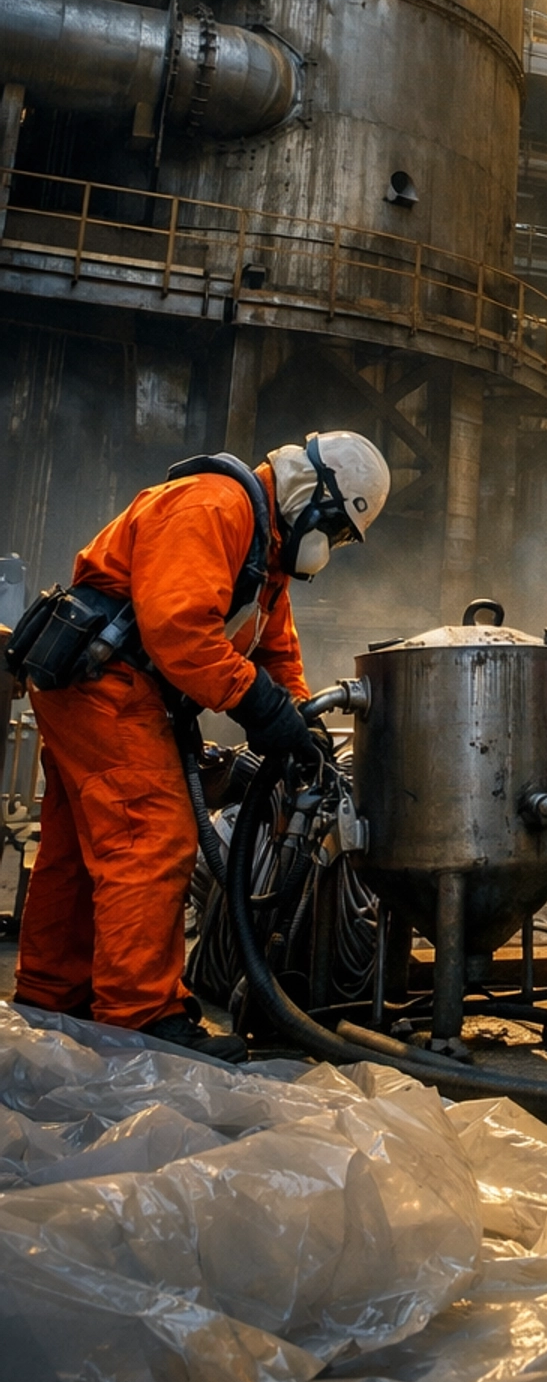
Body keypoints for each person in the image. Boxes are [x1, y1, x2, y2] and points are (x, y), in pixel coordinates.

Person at [13, 432, 389, 1059]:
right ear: (311, 496)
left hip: (102, 686)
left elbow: (274, 650)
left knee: (80, 848)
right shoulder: (214, 507)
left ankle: (53, 997)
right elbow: (179, 630)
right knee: (151, 835)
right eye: (336, 530)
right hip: (107, 684)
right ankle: (141, 1016)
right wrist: (259, 706)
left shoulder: (263, 554)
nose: (332, 546)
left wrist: (301, 721)